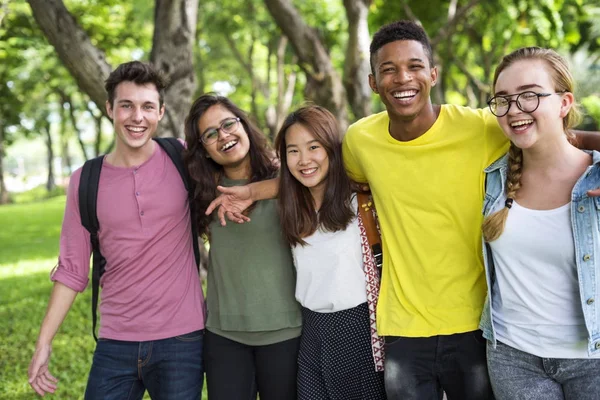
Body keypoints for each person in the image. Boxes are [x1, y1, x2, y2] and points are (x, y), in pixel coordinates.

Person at [205, 20, 600, 400]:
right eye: (388, 70)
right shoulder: (362, 140)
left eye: (414, 66)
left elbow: (557, 132)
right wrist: (255, 190)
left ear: (432, 74)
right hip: (403, 330)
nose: (403, 78)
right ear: (374, 82)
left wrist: (593, 161)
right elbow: (317, 173)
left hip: (478, 325)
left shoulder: (480, 127)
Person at [27, 61, 205, 399]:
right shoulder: (85, 180)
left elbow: (240, 176)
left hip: (182, 341)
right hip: (115, 342)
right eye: (127, 105)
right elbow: (71, 269)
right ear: (110, 108)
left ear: (160, 112)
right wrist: (43, 342)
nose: (137, 117)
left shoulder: (182, 157)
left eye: (147, 107)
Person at [479, 47, 600, 400]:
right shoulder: (493, 178)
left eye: (530, 95)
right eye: (503, 100)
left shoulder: (596, 178)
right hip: (512, 357)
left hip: (592, 358)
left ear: (564, 103)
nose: (515, 109)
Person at [183, 94, 302, 400]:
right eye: (210, 134)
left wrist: (254, 191)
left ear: (244, 125)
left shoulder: (287, 174)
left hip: (285, 332)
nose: (223, 135)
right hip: (224, 337)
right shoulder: (201, 191)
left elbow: (329, 177)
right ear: (204, 149)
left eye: (228, 124)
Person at [274, 105, 387, 399]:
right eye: (293, 151)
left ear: (332, 149)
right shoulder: (293, 209)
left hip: (356, 328)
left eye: (314, 147)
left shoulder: (359, 202)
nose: (304, 160)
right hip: (312, 330)